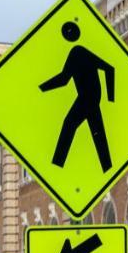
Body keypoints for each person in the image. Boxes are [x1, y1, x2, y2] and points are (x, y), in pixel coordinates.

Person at [39, 20, 116, 172]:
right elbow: (109, 69)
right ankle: (107, 166)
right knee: (98, 134)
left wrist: (41, 88)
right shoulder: (80, 51)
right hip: (92, 97)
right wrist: (107, 98)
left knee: (69, 124)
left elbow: (63, 79)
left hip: (87, 97)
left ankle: (57, 165)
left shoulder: (77, 52)